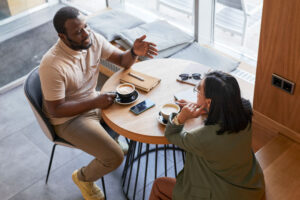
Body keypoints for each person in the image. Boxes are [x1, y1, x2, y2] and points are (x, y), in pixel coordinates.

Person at [39, 6, 157, 200]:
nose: (86, 34)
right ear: (62, 36)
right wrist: (95, 101)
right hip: (68, 119)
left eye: (86, 26)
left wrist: (134, 52)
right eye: (78, 32)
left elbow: (122, 60)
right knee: (114, 158)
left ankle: (111, 139)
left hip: (93, 101)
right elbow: (56, 109)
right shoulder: (52, 65)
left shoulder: (92, 39)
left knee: (133, 108)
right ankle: (83, 178)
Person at [149, 71, 265, 200]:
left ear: (210, 102)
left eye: (198, 91)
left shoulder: (201, 137)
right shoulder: (245, 110)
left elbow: (171, 134)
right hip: (250, 186)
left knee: (159, 185)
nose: (196, 94)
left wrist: (181, 118)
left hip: (223, 195)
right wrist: (204, 107)